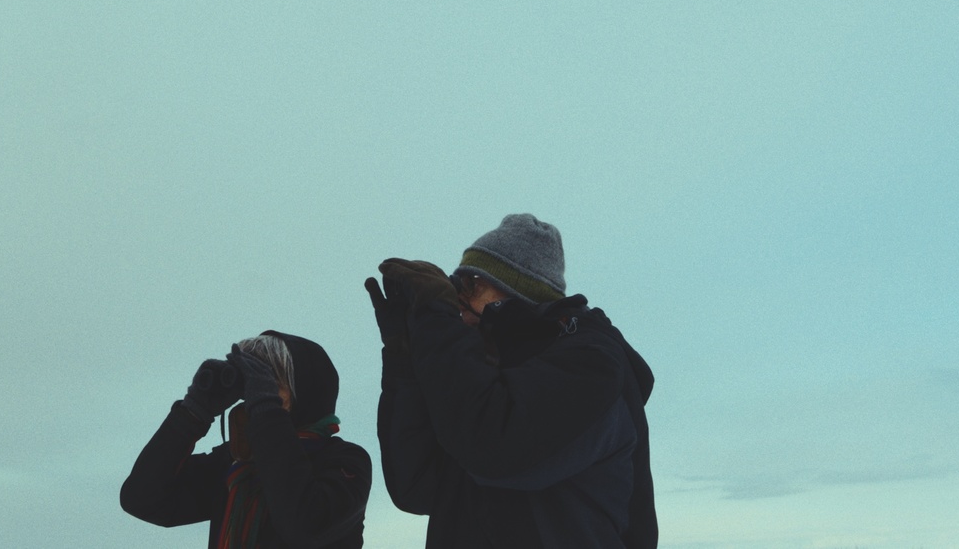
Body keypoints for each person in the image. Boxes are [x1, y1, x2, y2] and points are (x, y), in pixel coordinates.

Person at [366, 213, 657, 548]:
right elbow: (416, 487)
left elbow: (496, 451)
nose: (458, 303)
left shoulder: (593, 363)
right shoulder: (479, 379)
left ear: (514, 290)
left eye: (471, 286)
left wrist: (437, 322)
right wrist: (406, 357)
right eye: (455, 288)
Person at [120, 331, 371, 549]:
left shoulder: (347, 461)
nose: (252, 400)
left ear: (303, 392)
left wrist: (266, 409)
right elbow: (142, 499)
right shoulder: (235, 462)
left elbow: (304, 524)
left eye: (273, 385)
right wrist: (193, 413)